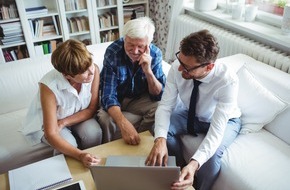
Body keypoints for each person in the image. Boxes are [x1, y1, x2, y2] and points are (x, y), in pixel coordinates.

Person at [146, 30, 242, 190]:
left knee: (210, 160)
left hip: (224, 121)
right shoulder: (178, 66)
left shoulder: (228, 81)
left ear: (209, 67)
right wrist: (160, 140)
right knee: (159, 132)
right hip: (191, 114)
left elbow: (216, 131)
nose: (179, 69)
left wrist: (194, 163)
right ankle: (177, 172)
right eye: (180, 60)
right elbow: (165, 106)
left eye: (187, 68)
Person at [20, 39, 102, 167]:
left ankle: (94, 168)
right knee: (70, 145)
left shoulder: (93, 70)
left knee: (93, 133)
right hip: (48, 125)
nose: (91, 72)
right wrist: (80, 155)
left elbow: (91, 109)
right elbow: (51, 133)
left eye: (90, 64)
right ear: (67, 75)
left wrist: (64, 122)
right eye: (84, 72)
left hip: (74, 117)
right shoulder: (49, 86)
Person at [97, 17, 166, 145]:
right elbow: (108, 95)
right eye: (130, 44)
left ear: (148, 44)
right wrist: (124, 124)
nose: (135, 51)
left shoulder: (156, 54)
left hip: (139, 99)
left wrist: (148, 71)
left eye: (140, 46)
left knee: (160, 107)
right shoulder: (113, 52)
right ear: (124, 39)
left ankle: (140, 143)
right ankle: (108, 148)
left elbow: (158, 95)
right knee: (105, 118)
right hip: (118, 98)